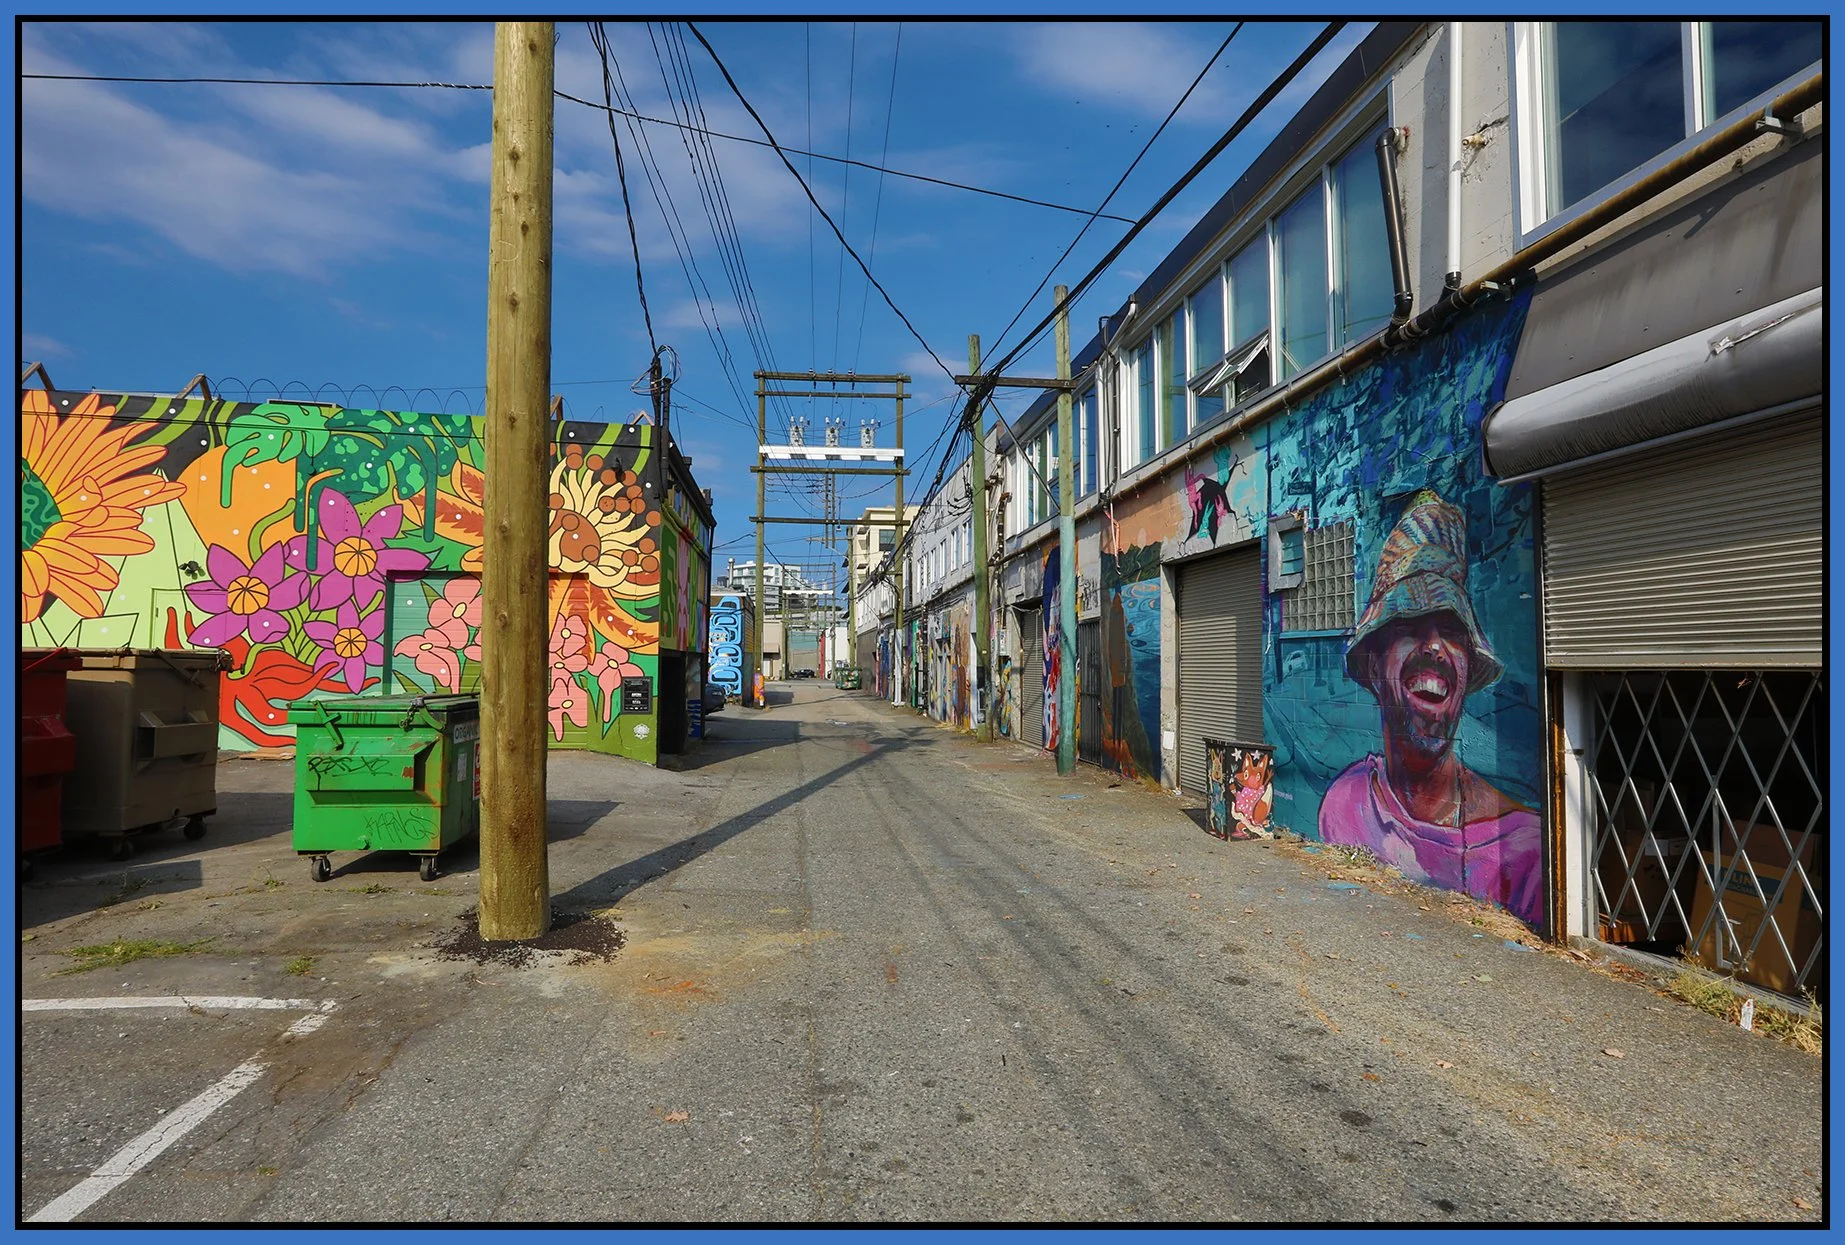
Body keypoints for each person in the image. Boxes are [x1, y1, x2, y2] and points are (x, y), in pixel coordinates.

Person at [1318, 490, 1542, 924]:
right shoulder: (1347, 802)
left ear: (1469, 668)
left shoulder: (1524, 852)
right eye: (1408, 625)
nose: (1435, 646)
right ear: (1375, 664)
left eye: (1452, 631)